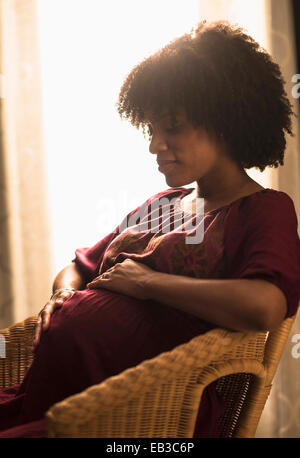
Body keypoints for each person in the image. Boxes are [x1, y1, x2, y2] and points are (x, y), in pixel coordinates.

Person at [0, 19, 300, 438]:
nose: (155, 144)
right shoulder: (160, 206)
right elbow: (77, 267)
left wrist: (147, 282)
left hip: (139, 417)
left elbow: (265, 305)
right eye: (152, 128)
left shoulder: (264, 209)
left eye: (172, 126)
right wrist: (66, 294)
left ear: (226, 122)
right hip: (50, 394)